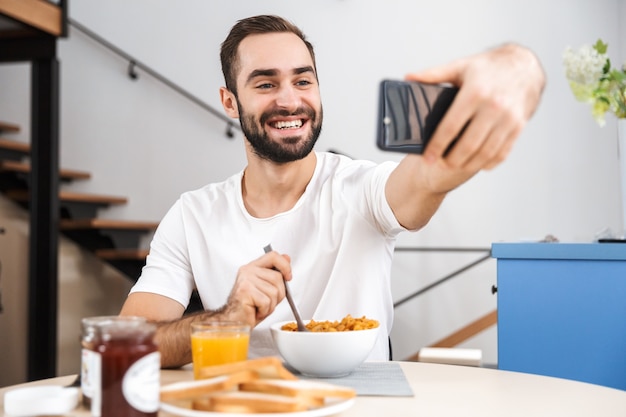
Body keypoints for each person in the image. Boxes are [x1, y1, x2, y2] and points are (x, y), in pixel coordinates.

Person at [120, 14, 545, 368]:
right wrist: (226, 319)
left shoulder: (362, 189)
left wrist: (518, 67)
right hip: (245, 406)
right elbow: (127, 344)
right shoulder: (193, 214)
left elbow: (425, 183)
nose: (290, 101)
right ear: (229, 101)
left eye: (303, 81)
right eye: (265, 84)